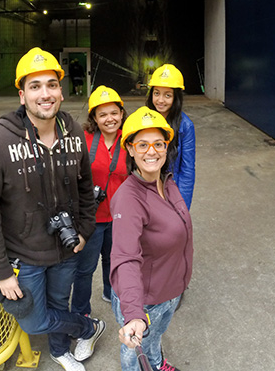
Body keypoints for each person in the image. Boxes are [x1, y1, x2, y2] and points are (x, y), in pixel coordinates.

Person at [0, 47, 105, 371]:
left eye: (51, 84)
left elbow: (86, 187)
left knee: (59, 302)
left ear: (61, 90)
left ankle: (61, 351)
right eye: (35, 86)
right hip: (25, 256)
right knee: (33, 321)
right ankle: (88, 328)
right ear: (22, 95)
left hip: (66, 250)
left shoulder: (74, 132)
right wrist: (1, 272)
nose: (45, 94)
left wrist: (84, 231)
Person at [110, 107, 193, 371]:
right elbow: (125, 258)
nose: (151, 151)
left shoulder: (166, 181)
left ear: (167, 147)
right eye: (142, 144)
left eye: (158, 144)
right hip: (146, 299)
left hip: (168, 291)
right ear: (130, 149)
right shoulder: (129, 198)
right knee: (135, 353)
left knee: (155, 337)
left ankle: (157, 364)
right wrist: (134, 314)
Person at [72, 86, 128, 317]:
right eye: (102, 114)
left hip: (119, 216)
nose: (109, 119)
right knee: (84, 269)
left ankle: (110, 291)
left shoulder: (130, 139)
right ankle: (80, 311)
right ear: (94, 117)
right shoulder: (83, 140)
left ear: (122, 113)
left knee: (112, 261)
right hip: (90, 218)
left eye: (114, 112)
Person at [145, 64, 196, 209]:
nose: (160, 100)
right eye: (156, 93)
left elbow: (187, 170)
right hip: (146, 190)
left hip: (171, 192)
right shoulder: (144, 121)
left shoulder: (185, 126)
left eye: (167, 95)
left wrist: (182, 206)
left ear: (176, 97)